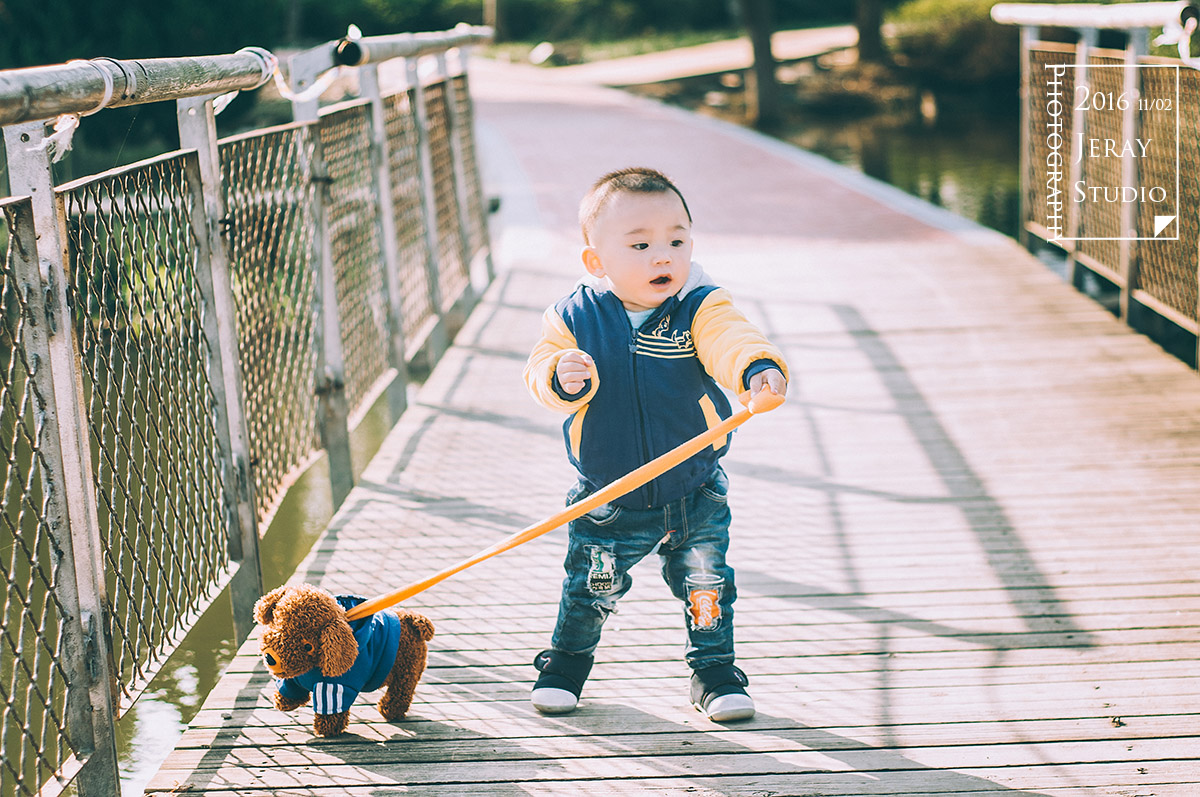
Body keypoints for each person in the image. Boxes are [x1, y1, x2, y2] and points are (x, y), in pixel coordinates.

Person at [522, 167, 789, 722]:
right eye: (640, 245)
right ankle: (567, 663)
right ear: (597, 262)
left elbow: (730, 338)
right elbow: (540, 371)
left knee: (706, 584)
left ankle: (714, 672)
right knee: (591, 587)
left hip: (695, 490)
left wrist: (755, 367)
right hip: (612, 494)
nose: (662, 257)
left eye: (676, 240)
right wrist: (559, 375)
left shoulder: (699, 305)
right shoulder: (575, 317)